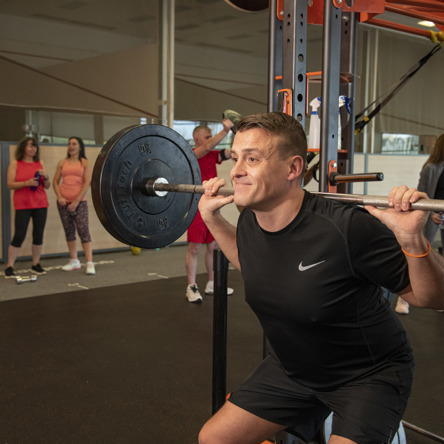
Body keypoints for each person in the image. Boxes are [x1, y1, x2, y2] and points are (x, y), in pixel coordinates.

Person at [197, 112, 444, 444]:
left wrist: (413, 241)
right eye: (237, 157)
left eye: (252, 159)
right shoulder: (250, 221)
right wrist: (212, 220)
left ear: (293, 169)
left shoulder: (346, 228)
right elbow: (254, 264)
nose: (236, 170)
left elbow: (430, 298)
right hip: (293, 370)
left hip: (365, 376)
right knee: (214, 439)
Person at [185, 119, 235, 303]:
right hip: (196, 205)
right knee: (195, 247)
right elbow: (207, 147)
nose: (211, 140)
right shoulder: (192, 154)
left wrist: (239, 134)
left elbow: (230, 153)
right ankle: (191, 286)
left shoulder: (213, 154)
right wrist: (225, 130)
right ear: (197, 139)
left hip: (212, 203)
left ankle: (212, 283)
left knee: (213, 246)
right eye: (207, 136)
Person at [395, 134, 444, 315]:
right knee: (420, 252)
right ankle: (404, 298)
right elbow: (420, 194)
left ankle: (440, 294)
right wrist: (430, 213)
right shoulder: (430, 168)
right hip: (431, 213)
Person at [4, 137, 50, 278]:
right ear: (23, 148)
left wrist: (46, 177)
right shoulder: (15, 163)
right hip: (23, 204)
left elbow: (46, 186)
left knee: (38, 234)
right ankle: (9, 265)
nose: (32, 149)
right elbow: (10, 184)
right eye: (30, 146)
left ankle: (35, 264)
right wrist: (26, 183)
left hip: (41, 203)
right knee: (19, 235)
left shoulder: (39, 163)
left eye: (34, 146)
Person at [53, 137, 95, 275]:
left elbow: (87, 182)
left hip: (79, 203)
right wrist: (59, 197)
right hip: (63, 203)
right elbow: (55, 182)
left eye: (74, 144)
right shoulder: (62, 163)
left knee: (83, 230)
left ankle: (89, 263)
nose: (71, 146)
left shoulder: (85, 163)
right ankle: (74, 260)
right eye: (69, 144)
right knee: (69, 231)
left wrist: (76, 201)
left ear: (80, 147)